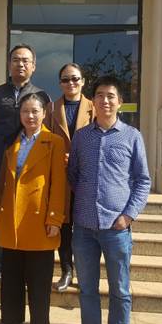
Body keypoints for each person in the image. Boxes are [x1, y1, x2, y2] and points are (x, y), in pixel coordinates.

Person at [67, 76, 151, 324]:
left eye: (111, 96)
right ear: (93, 101)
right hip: (84, 228)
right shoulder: (81, 137)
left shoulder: (132, 136)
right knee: (87, 289)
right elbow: (73, 175)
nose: (105, 100)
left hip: (117, 228)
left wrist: (128, 215)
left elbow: (143, 180)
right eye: (100, 95)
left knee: (120, 291)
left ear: (120, 102)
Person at [0, 92, 66, 324]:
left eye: (35, 111)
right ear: (19, 115)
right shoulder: (13, 142)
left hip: (39, 222)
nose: (30, 116)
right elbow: (3, 181)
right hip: (11, 222)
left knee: (38, 284)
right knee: (11, 283)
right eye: (25, 111)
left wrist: (55, 218)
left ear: (44, 113)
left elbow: (59, 184)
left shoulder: (54, 142)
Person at [0, 43, 51, 284]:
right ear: (9, 64)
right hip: (1, 164)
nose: (20, 64)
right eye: (16, 60)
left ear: (33, 66)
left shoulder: (41, 96)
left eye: (25, 60)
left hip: (31, 165)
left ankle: (23, 259)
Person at [44, 63, 95, 292]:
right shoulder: (51, 109)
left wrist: (79, 158)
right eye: (65, 79)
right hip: (61, 177)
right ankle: (66, 270)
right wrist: (58, 157)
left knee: (84, 226)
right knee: (64, 225)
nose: (71, 83)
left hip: (86, 178)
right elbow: (44, 141)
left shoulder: (94, 108)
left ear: (83, 81)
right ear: (60, 83)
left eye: (75, 78)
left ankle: (85, 271)